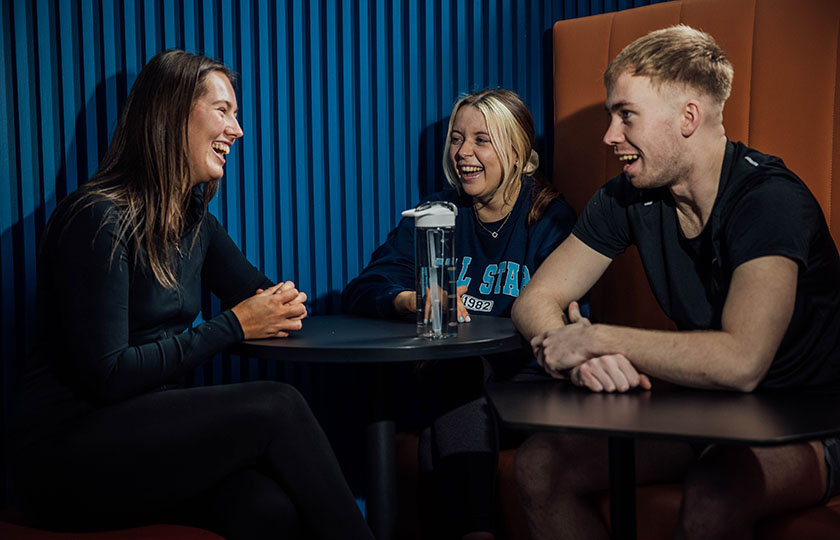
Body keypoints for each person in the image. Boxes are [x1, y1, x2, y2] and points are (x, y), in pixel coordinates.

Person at [10, 50, 374, 540]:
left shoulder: (195, 221)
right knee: (278, 405)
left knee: (264, 507)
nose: (237, 131)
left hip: (138, 437)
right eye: (223, 111)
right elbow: (107, 376)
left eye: (237, 115)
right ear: (171, 113)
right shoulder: (98, 218)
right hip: (65, 450)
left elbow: (262, 296)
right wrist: (235, 325)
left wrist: (282, 304)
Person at [511, 25, 840, 540]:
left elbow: (742, 361)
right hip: (705, 412)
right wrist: (580, 361)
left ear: (689, 117)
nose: (609, 136)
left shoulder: (769, 200)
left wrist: (598, 338)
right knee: (540, 466)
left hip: (809, 422)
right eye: (610, 116)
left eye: (626, 115)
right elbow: (536, 299)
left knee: (715, 494)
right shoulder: (628, 196)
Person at [342, 89, 578, 540]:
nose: (463, 153)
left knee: (447, 400)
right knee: (452, 381)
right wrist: (410, 300)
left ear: (515, 150)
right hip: (456, 386)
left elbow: (565, 320)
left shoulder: (548, 218)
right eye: (456, 138)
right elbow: (365, 287)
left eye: (481, 140)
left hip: (524, 387)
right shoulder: (440, 212)